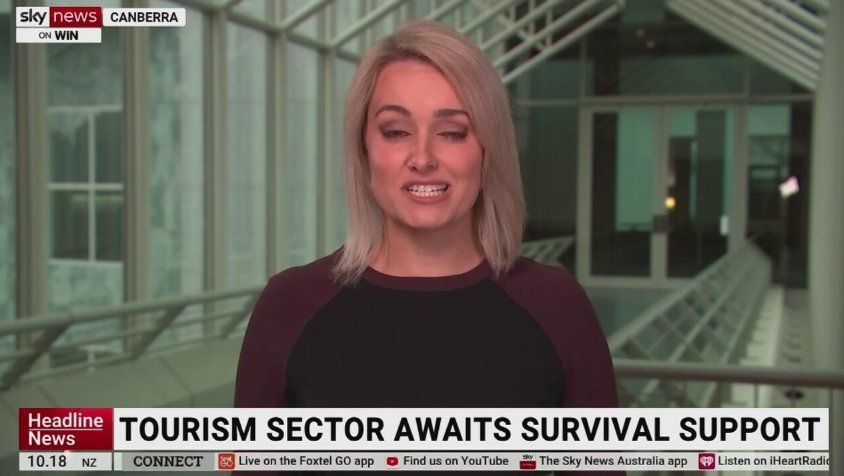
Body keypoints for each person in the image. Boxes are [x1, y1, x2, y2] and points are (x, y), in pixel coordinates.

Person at [235, 18, 618, 473]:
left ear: (488, 149)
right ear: (364, 150)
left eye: (452, 132)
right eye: (396, 131)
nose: (422, 159)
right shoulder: (290, 305)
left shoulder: (556, 305)